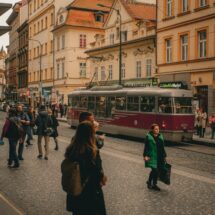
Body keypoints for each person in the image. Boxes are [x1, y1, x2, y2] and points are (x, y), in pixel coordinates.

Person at [65, 121, 107, 215]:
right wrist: (102, 177)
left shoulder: (71, 149)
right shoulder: (92, 151)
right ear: (90, 134)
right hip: (90, 190)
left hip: (75, 188)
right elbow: (97, 171)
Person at [143, 123, 167, 191]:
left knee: (155, 170)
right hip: (152, 156)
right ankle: (154, 184)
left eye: (158, 129)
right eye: (156, 129)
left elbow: (162, 148)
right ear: (152, 129)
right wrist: (145, 156)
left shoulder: (160, 136)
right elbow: (146, 147)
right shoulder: (149, 137)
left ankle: (149, 182)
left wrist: (164, 156)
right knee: (155, 170)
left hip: (159, 156)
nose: (157, 130)